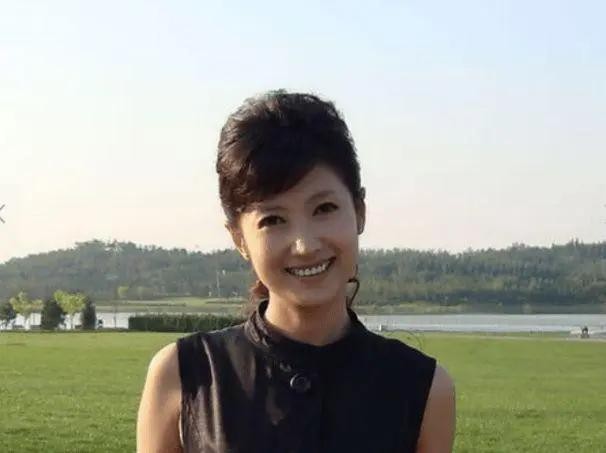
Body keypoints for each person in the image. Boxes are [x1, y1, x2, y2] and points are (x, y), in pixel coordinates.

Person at [136, 91, 456, 452]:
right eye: (273, 220)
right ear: (239, 238)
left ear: (359, 211)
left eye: (324, 208)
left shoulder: (422, 388)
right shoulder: (185, 375)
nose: (304, 245)